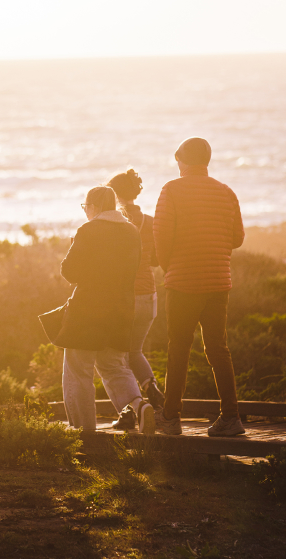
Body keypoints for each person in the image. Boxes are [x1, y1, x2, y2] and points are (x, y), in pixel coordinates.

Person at [153, 137, 245, 437]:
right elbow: (237, 238)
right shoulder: (226, 192)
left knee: (179, 348)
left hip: (182, 283)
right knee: (218, 349)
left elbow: (162, 236)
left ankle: (171, 418)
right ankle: (231, 418)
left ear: (182, 160)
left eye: (177, 160)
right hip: (219, 282)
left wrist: (170, 267)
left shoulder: (172, 190)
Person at [54, 186, 154, 433]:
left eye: (85, 207)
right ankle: (140, 406)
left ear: (94, 206)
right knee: (114, 367)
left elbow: (70, 272)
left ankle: (82, 431)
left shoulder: (88, 230)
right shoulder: (132, 231)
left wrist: (73, 247)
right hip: (121, 311)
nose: (85, 211)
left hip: (87, 311)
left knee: (78, 371)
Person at [106, 169, 166, 431]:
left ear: (114, 195)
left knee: (114, 359)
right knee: (134, 352)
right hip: (149, 297)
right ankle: (151, 388)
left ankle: (131, 411)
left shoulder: (113, 223)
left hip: (125, 299)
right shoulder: (151, 222)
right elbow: (156, 260)